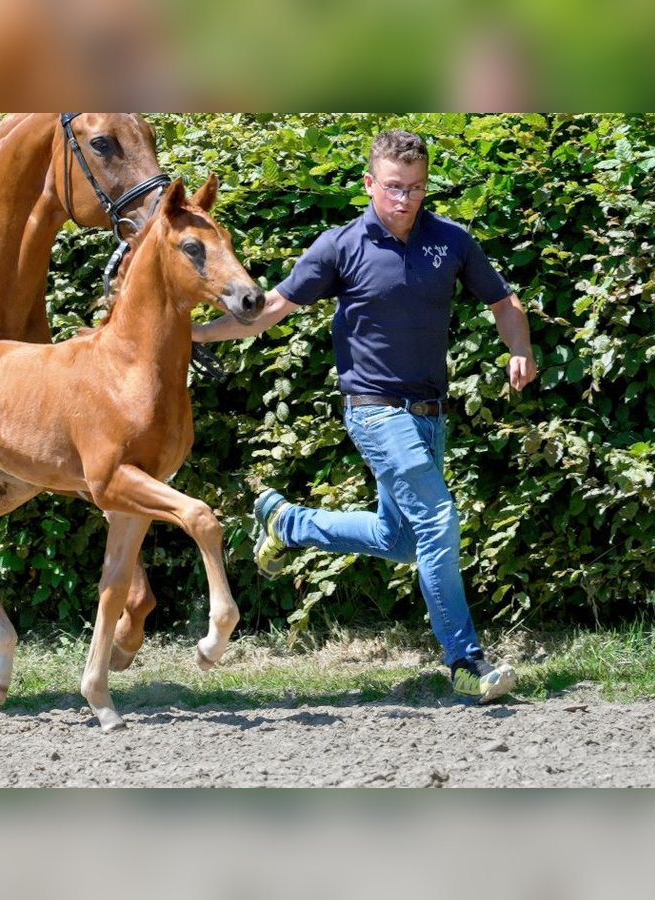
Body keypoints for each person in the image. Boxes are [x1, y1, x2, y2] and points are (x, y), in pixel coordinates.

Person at [193, 129, 538, 703]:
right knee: (437, 521)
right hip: (374, 410)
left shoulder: (451, 241)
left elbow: (504, 302)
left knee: (400, 538)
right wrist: (197, 333)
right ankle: (465, 660)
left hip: (429, 413)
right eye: (395, 188)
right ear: (370, 184)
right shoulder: (341, 245)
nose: (406, 199)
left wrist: (519, 348)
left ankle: (287, 522)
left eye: (417, 188)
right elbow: (273, 307)